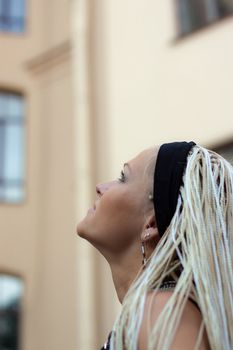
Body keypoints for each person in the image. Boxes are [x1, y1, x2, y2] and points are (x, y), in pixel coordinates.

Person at [76, 141, 233, 350]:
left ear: (152, 223)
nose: (100, 187)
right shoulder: (159, 310)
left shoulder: (162, 310)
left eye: (123, 178)